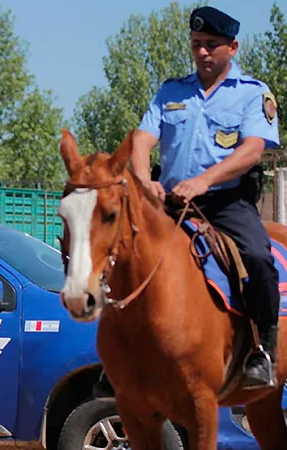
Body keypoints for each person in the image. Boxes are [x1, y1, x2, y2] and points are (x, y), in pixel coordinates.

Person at [93, 5, 281, 399]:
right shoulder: (171, 91)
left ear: (233, 47)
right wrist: (145, 182)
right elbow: (143, 140)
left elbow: (251, 150)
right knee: (120, 254)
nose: (202, 52)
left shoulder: (252, 93)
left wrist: (204, 181)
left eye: (212, 45)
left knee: (259, 260)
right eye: (197, 44)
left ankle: (261, 351)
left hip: (226, 203)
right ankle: (116, 362)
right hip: (169, 202)